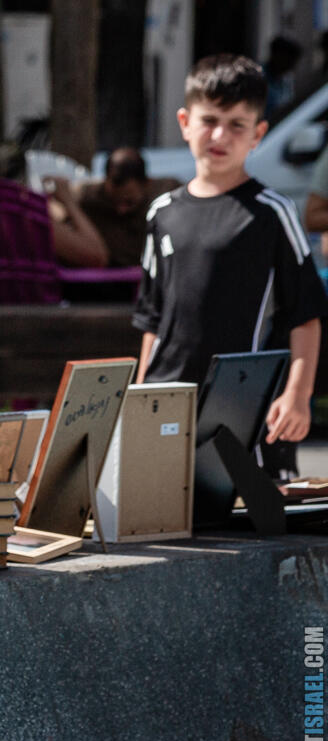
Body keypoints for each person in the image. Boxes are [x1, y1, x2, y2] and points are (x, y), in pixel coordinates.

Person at [134, 54, 325, 477]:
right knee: (164, 527)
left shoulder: (272, 213)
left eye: (237, 124)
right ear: (185, 122)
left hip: (246, 405)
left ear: (258, 134)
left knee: (257, 530)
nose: (220, 134)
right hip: (167, 402)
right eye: (209, 119)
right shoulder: (161, 213)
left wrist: (297, 394)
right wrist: (140, 394)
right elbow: (151, 319)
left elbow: (306, 313)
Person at [46, 148, 181, 269]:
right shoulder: (87, 196)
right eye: (114, 201)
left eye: (129, 202)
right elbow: (54, 214)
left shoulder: (168, 195)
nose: (120, 210)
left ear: (147, 184)